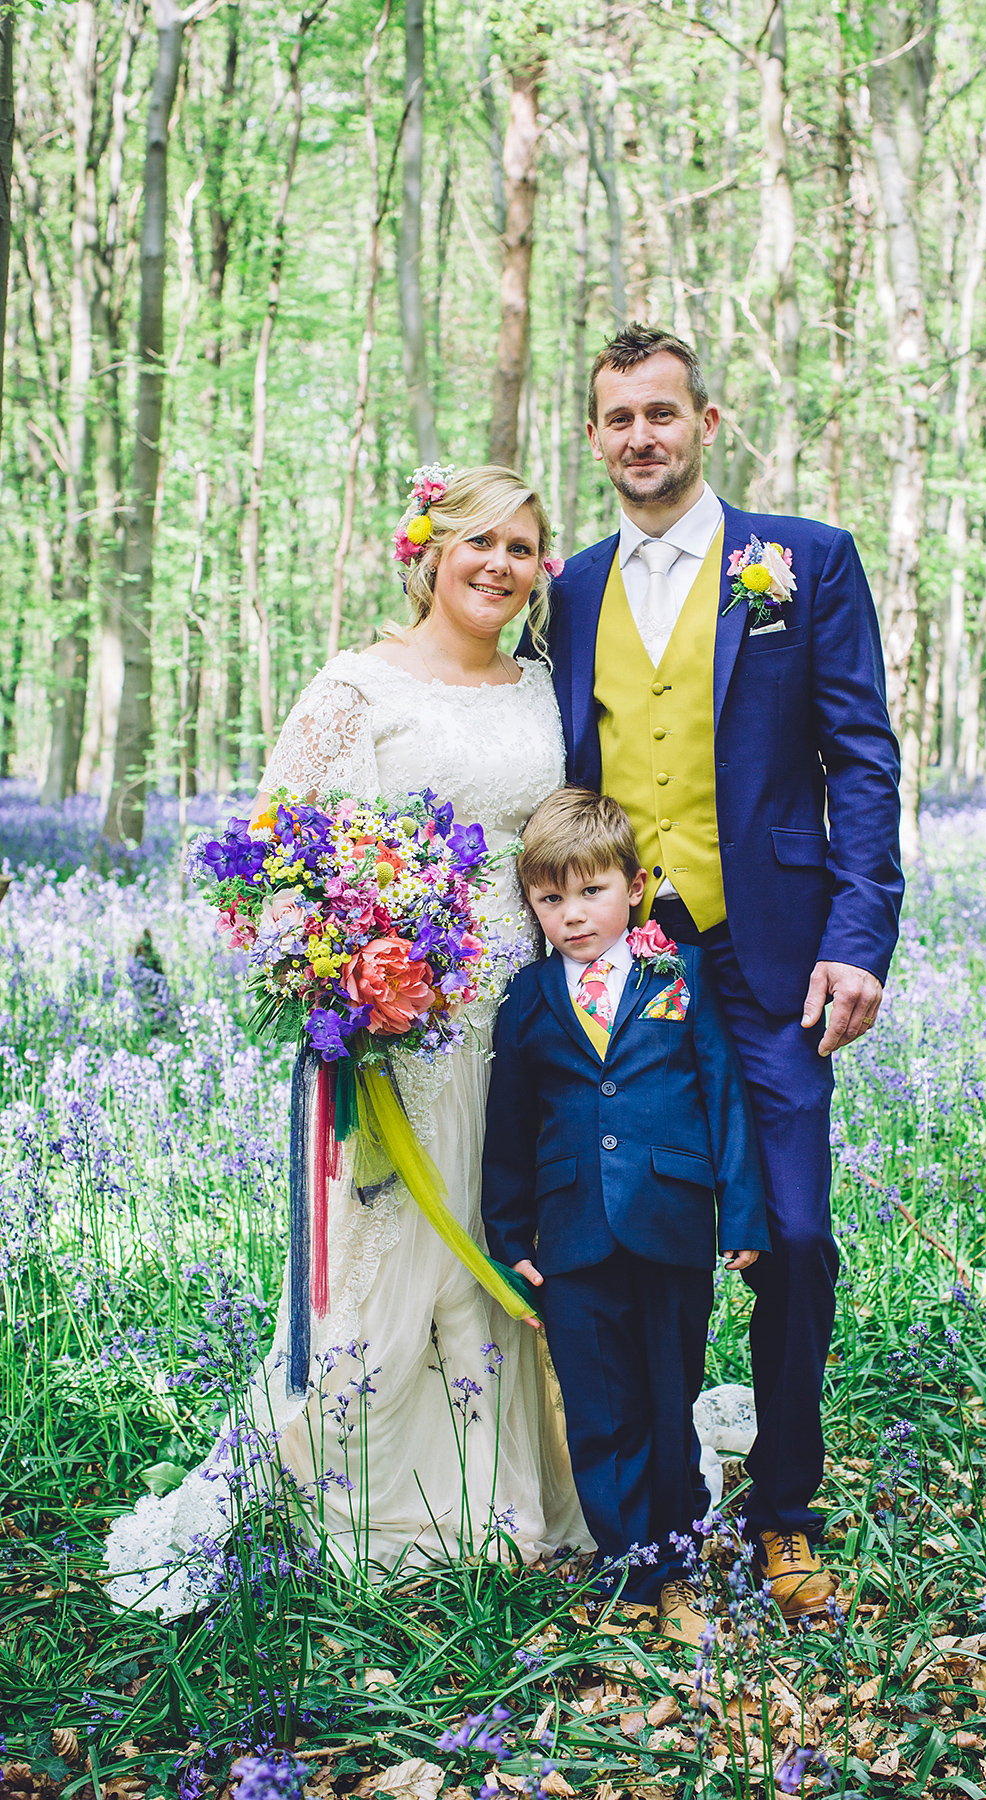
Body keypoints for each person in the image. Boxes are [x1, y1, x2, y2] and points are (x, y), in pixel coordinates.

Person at [105, 466, 589, 1615]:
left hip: (526, 1023)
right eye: (478, 542)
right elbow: (270, 859)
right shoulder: (355, 688)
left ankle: (515, 1497)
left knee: (506, 1232)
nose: (498, 566)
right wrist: (343, 970)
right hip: (396, 1027)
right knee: (388, 1251)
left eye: (523, 548)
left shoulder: (546, 689)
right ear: (427, 549)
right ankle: (360, 1503)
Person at [526, 325, 904, 1621]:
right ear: (594, 437)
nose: (643, 436)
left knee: (793, 1235)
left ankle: (786, 1512)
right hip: (632, 972)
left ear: (707, 420)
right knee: (656, 1244)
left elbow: (860, 756)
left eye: (663, 413)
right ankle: (665, 1526)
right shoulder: (570, 590)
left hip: (776, 957)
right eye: (619, 417)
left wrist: (861, 934)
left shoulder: (799, 562)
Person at [481, 788, 770, 1646]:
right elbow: (508, 1128)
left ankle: (678, 1561)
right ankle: (631, 1565)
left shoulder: (680, 975)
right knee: (601, 1411)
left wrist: (744, 1216)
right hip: (569, 1236)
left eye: (591, 893)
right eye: (550, 899)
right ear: (531, 904)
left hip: (672, 1221)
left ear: (636, 885)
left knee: (666, 1393)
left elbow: (723, 1093)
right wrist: (507, 1238)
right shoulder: (528, 998)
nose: (572, 917)